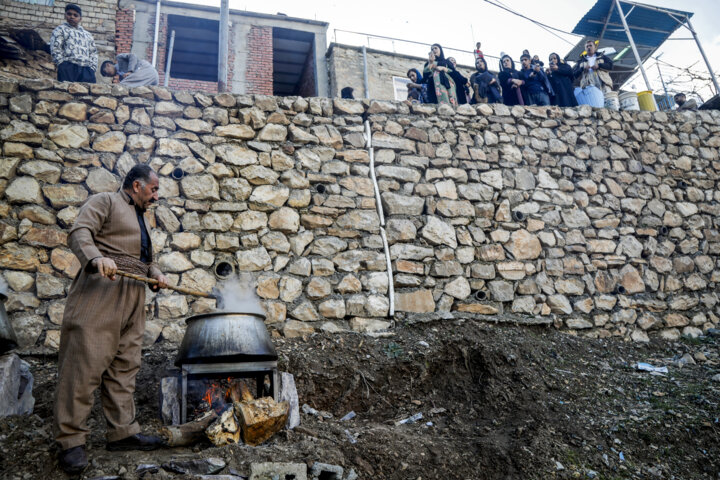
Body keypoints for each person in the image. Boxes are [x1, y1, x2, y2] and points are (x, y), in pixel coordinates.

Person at [54, 165, 169, 474]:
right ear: (136, 185)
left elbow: (147, 259)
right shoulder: (105, 201)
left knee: (125, 365)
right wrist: (96, 258)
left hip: (134, 294)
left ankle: (122, 433)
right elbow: (80, 232)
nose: (157, 196)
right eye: (153, 190)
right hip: (101, 291)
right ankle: (70, 441)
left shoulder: (143, 218)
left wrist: (155, 273)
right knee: (84, 364)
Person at [49, 4, 98, 83]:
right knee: (66, 93)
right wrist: (61, 64)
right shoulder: (60, 30)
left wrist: (92, 68)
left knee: (88, 94)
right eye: (69, 14)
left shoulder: (87, 35)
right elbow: (55, 48)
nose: (72, 17)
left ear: (80, 18)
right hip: (68, 67)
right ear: (65, 15)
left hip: (86, 70)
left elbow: (93, 52)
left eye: (75, 15)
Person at [572, 39, 613, 108]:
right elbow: (574, 74)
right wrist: (583, 68)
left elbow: (611, 66)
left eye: (590, 45)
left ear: (595, 47)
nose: (589, 47)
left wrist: (599, 66)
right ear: (585, 48)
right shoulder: (581, 60)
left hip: (602, 80)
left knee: (606, 99)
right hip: (588, 83)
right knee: (593, 101)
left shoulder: (602, 56)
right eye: (587, 46)